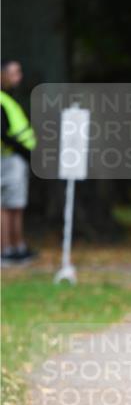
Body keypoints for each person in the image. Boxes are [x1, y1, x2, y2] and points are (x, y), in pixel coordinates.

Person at [1, 59, 37, 265]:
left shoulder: (8, 99)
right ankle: (6, 250)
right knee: (6, 205)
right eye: (14, 73)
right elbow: (3, 133)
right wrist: (23, 150)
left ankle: (17, 247)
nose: (18, 77)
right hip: (8, 158)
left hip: (16, 158)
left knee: (15, 204)